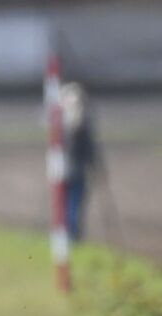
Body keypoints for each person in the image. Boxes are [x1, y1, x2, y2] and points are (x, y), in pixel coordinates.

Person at [61, 82, 102, 242]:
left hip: (62, 169)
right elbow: (88, 147)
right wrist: (95, 164)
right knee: (74, 202)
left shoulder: (61, 122)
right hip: (76, 169)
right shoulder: (82, 123)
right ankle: (72, 234)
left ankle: (66, 233)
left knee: (66, 203)